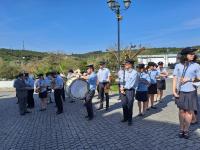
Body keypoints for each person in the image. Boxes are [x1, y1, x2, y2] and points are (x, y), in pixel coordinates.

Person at [173, 47, 200, 139]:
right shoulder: (178, 66)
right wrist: (173, 91)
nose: (193, 55)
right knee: (181, 111)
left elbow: (199, 78)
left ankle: (186, 130)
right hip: (180, 91)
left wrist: (189, 79)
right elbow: (175, 79)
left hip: (191, 91)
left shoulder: (196, 65)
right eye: (191, 54)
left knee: (189, 112)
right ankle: (181, 128)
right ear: (185, 55)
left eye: (193, 54)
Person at [120, 59, 138, 126]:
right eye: (125, 64)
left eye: (126, 64)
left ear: (131, 65)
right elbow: (121, 80)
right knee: (124, 104)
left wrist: (124, 88)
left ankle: (130, 119)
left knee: (129, 105)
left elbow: (131, 83)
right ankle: (125, 118)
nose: (125, 65)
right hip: (123, 90)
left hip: (130, 90)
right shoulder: (124, 72)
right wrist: (121, 88)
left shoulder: (134, 72)